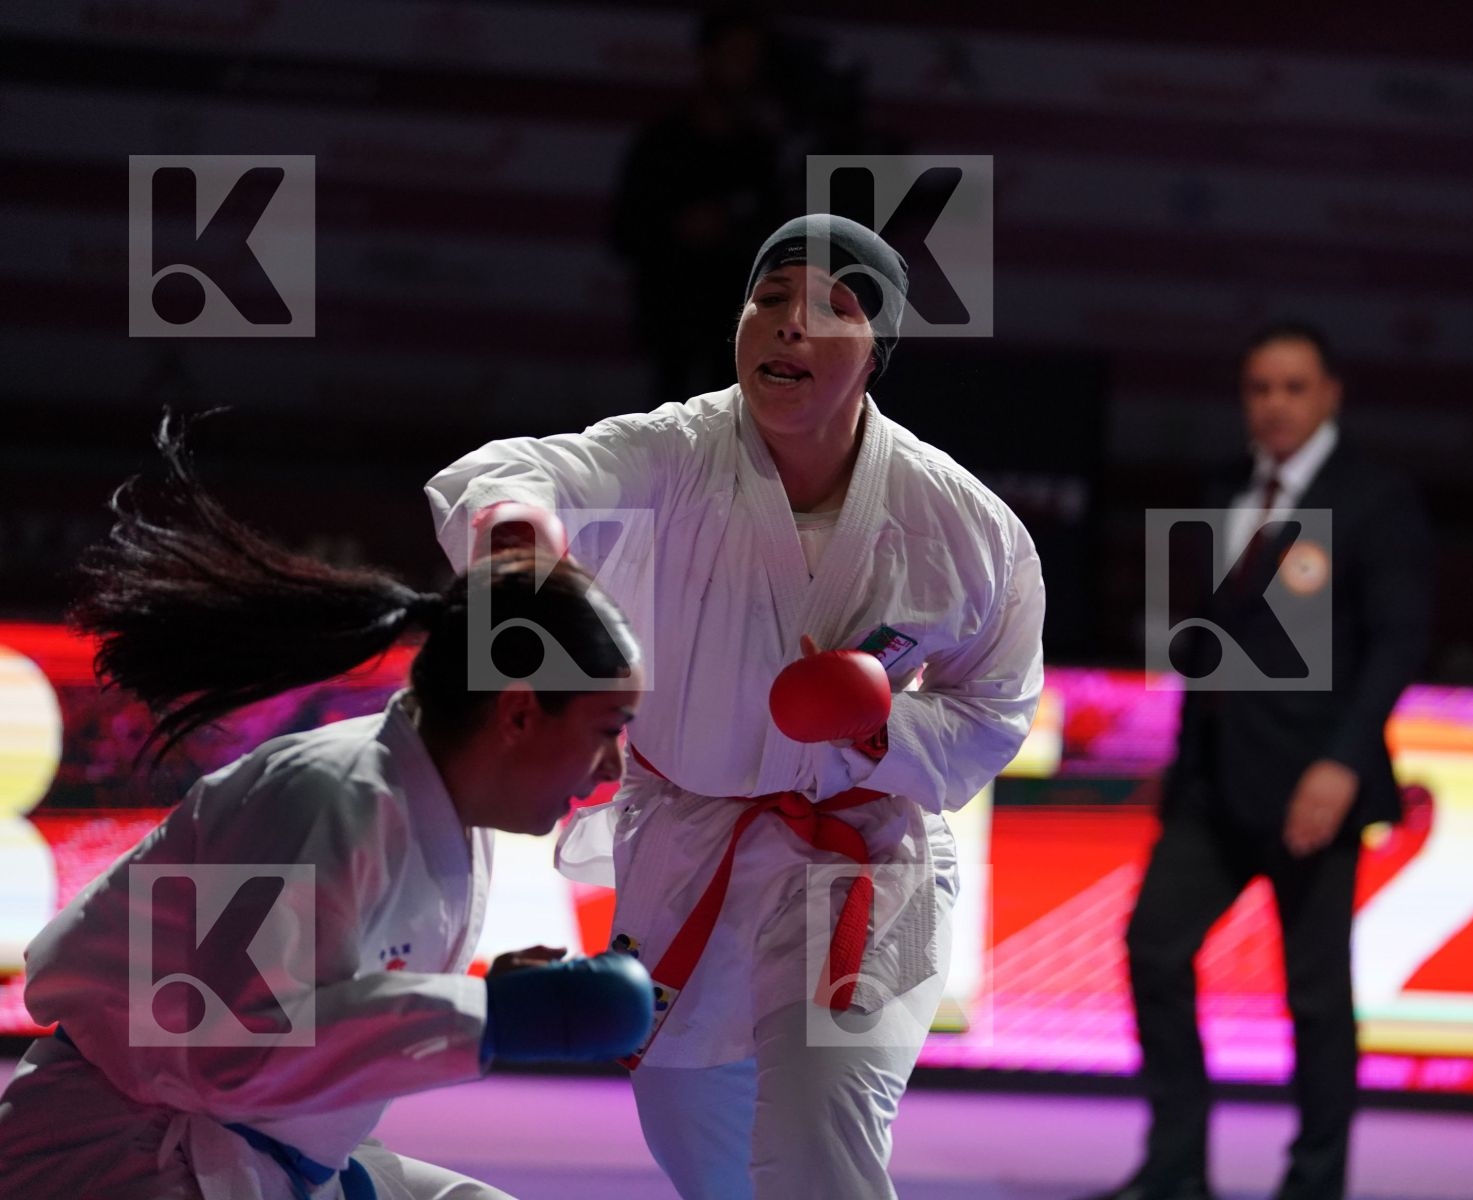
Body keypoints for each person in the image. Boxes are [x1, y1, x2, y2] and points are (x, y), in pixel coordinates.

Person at [426, 213, 1046, 1200]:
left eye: (828, 309)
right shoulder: (676, 453)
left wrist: (879, 725)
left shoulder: (964, 525)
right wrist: (516, 539)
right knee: (700, 1152)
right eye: (767, 300)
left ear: (877, 352)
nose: (787, 325)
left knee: (816, 1135)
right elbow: (511, 470)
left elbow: (995, 714)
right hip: (688, 848)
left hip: (863, 864)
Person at [0, 417, 656, 1200]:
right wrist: (491, 1014)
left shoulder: (444, 809)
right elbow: (230, 1050)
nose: (614, 764)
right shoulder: (326, 797)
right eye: (606, 731)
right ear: (517, 715)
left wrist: (493, 1002)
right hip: (118, 1163)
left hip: (260, 1157)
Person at [1087, 324, 1432, 1200]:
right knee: (1153, 950)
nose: (1274, 404)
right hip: (1212, 789)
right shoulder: (1220, 487)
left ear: (1329, 396)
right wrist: (1180, 760)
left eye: (1293, 387)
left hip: (1316, 787)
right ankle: (1175, 1170)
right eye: (1258, 388)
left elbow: (1398, 643)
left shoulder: (1376, 499)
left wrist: (1344, 765)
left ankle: (1313, 1184)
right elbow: (1203, 650)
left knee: (1315, 999)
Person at [612, 5, 785, 407]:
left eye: (752, 57)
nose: (743, 68)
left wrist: (737, 231)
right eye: (734, 54)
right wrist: (678, 228)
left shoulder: (763, 152)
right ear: (707, 56)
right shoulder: (663, 144)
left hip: (744, 335)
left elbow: (784, 238)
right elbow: (623, 231)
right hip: (673, 326)